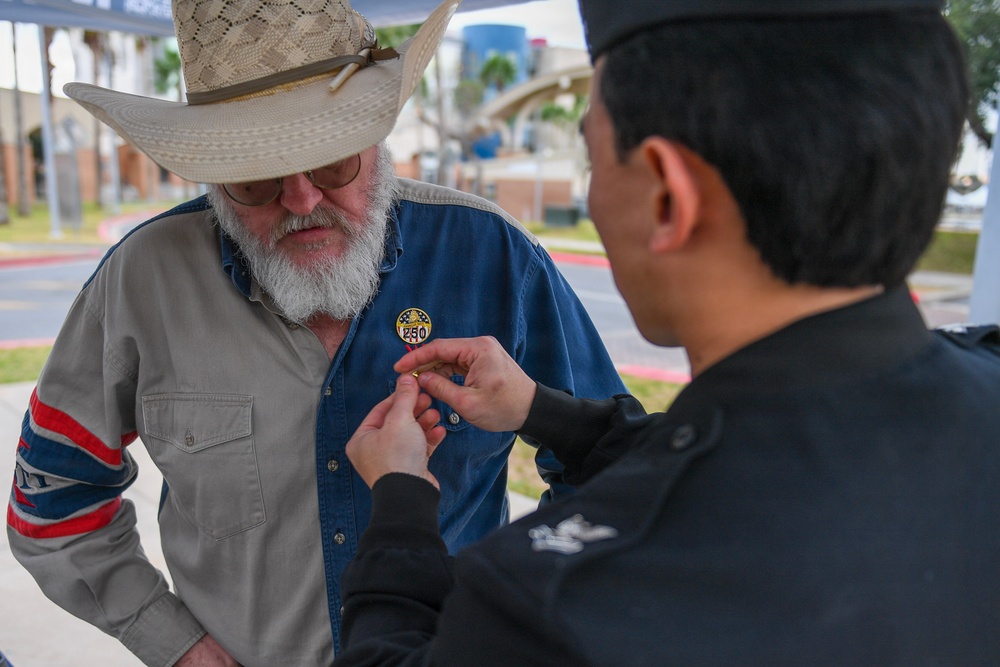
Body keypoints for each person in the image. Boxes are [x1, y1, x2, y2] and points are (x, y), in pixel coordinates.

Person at [335, 0, 1000, 664]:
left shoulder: (555, 604)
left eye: (594, 159)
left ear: (666, 197)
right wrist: (543, 411)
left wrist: (401, 501)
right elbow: (760, 461)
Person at [5, 1, 627, 665]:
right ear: (213, 174)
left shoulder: (495, 255)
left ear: (377, 140)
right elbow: (52, 501)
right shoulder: (141, 281)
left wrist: (525, 609)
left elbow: (619, 472)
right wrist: (177, 645)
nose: (301, 200)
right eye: (255, 177)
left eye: (332, 162)